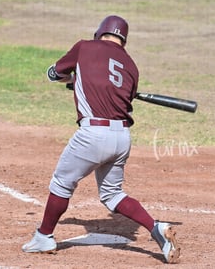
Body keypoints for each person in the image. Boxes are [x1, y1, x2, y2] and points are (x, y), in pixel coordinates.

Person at [21, 15, 180, 264]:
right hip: (122, 137)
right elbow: (116, 92)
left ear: (100, 32)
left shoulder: (85, 46)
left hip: (92, 135)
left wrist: (71, 79)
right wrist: (79, 80)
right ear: (123, 40)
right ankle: (155, 227)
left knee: (62, 184)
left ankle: (44, 236)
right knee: (112, 194)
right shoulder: (130, 65)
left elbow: (54, 74)